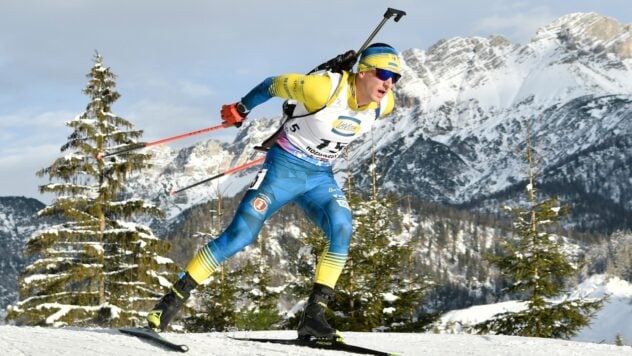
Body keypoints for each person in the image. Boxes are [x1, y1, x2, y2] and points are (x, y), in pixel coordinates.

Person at [146, 43, 401, 340]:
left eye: (395, 77)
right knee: (241, 234)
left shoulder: (386, 103)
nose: (388, 83)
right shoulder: (322, 88)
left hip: (319, 177)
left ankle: (313, 317)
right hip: (283, 170)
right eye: (383, 73)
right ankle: (169, 303)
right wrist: (241, 108)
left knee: (342, 225)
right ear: (363, 72)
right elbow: (272, 84)